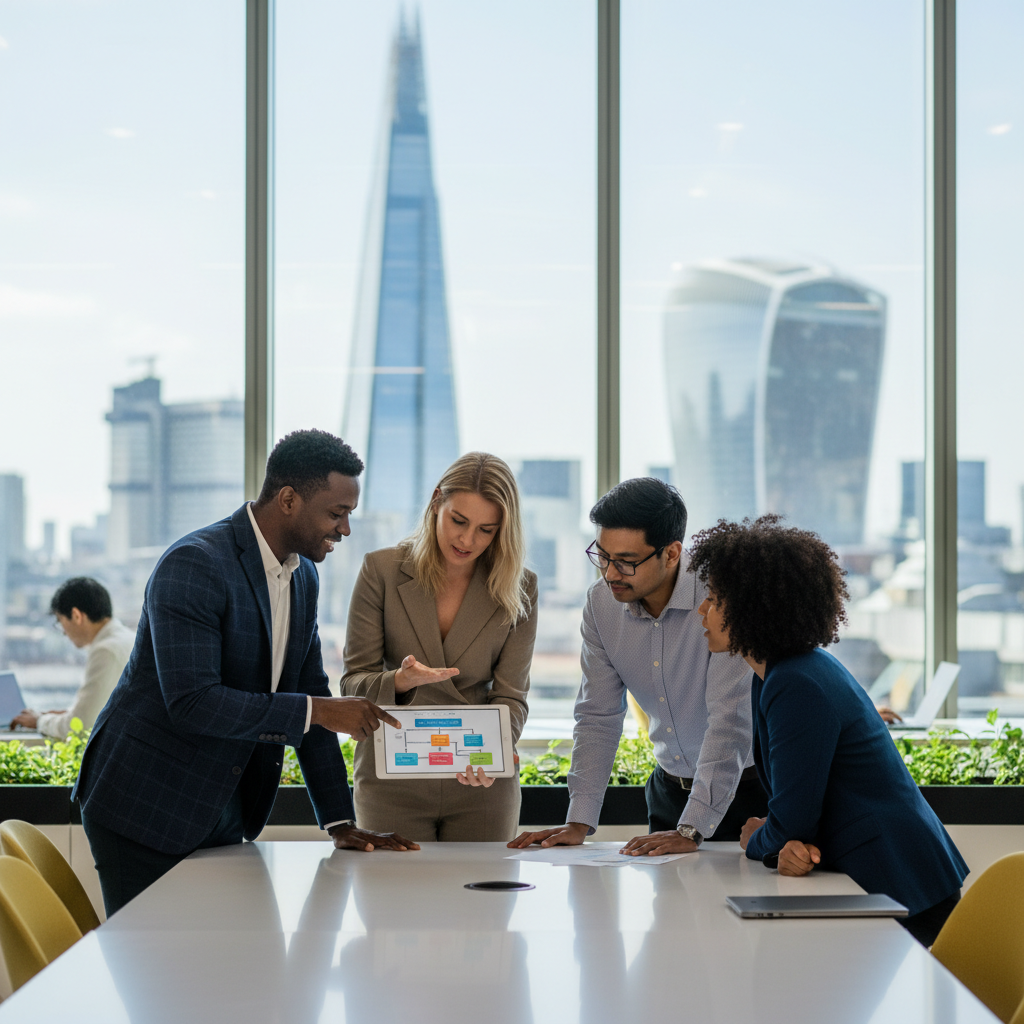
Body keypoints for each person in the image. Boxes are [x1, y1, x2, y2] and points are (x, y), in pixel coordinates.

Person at [74, 429, 419, 917]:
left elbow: (310, 694)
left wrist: (340, 822)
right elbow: (194, 702)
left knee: (225, 974)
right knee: (154, 978)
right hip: (142, 806)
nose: (345, 529)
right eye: (336, 513)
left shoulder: (304, 576)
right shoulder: (194, 564)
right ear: (288, 499)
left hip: (222, 806)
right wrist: (320, 711)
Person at [689, 514, 968, 947]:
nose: (702, 611)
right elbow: (796, 816)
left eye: (713, 599)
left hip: (898, 881)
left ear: (750, 607)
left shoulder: (794, 682)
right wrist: (781, 838)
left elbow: (792, 819)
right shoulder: (785, 673)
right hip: (884, 873)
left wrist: (756, 838)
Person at [509, 477, 766, 856]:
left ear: (672, 553)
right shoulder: (600, 605)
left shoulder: (722, 597)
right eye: (603, 556)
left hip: (747, 795)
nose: (611, 573)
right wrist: (578, 821)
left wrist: (693, 827)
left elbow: (729, 720)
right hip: (667, 795)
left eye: (627, 562)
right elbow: (598, 715)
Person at [342, 452, 538, 842]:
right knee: (395, 901)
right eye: (459, 521)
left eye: (486, 530)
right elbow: (351, 686)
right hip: (392, 777)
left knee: (481, 899)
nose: (467, 540)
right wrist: (399, 680)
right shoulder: (380, 570)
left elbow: (511, 697)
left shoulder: (521, 586)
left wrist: (494, 752)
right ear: (436, 503)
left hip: (480, 780)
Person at [12, 577, 134, 739]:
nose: (63, 632)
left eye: (60, 622)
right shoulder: (127, 638)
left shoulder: (106, 651)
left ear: (76, 616)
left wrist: (40, 721)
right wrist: (66, 714)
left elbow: (80, 726)